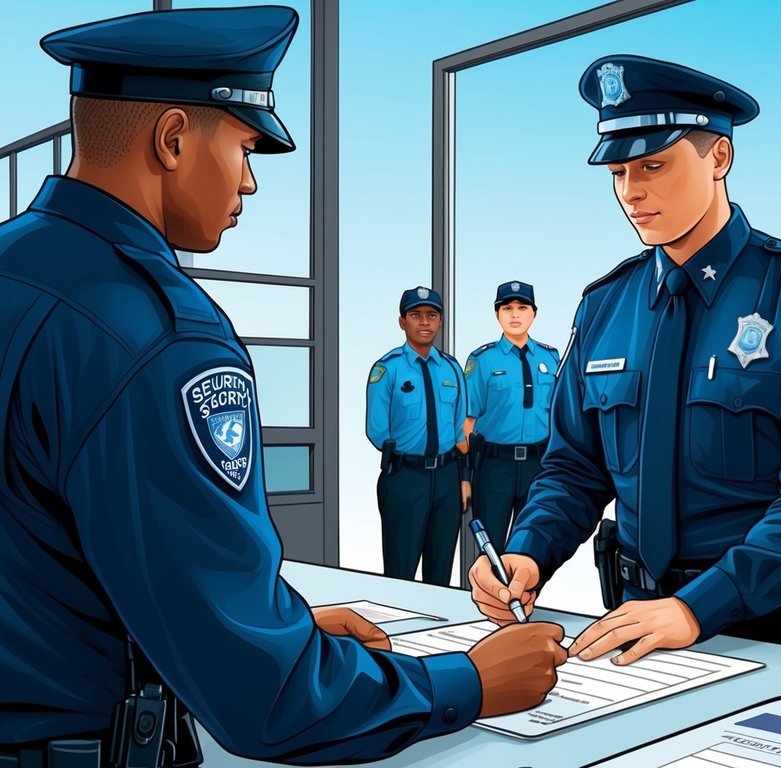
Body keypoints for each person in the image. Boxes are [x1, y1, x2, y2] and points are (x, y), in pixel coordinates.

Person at [0, 8, 564, 764]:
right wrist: (468, 681)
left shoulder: (17, 263)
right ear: (171, 140)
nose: (250, 180)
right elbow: (268, 702)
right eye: (240, 146)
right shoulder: (160, 337)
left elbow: (47, 551)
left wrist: (265, 624)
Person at [469, 55, 781, 664]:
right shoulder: (607, 307)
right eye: (619, 172)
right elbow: (576, 468)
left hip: (763, 620)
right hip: (630, 616)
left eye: (654, 165)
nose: (632, 192)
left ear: (719, 158)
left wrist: (698, 606)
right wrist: (529, 551)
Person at [366, 287, 470, 587]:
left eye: (432, 316)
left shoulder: (452, 368)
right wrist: (399, 462)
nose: (424, 322)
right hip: (405, 478)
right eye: (416, 315)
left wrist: (463, 478)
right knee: (400, 573)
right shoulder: (387, 369)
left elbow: (459, 426)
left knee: (440, 573)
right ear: (402, 322)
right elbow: (376, 428)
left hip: (447, 479)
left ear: (440, 322)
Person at [461, 281, 561, 549]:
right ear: (497, 315)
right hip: (495, 467)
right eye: (507, 308)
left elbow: (560, 416)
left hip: (538, 467)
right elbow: (466, 424)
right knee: (490, 551)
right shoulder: (482, 360)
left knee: (531, 548)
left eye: (522, 307)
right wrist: (465, 476)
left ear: (534, 314)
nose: (515, 314)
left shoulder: (552, 358)